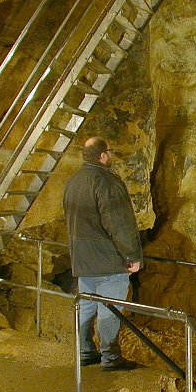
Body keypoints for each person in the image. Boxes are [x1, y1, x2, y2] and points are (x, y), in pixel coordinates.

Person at [63, 136, 142, 371]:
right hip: (107, 260)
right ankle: (110, 357)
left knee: (86, 306)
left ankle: (85, 351)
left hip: (83, 260)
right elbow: (119, 223)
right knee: (110, 308)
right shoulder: (106, 182)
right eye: (110, 151)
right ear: (103, 156)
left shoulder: (73, 182)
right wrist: (132, 255)